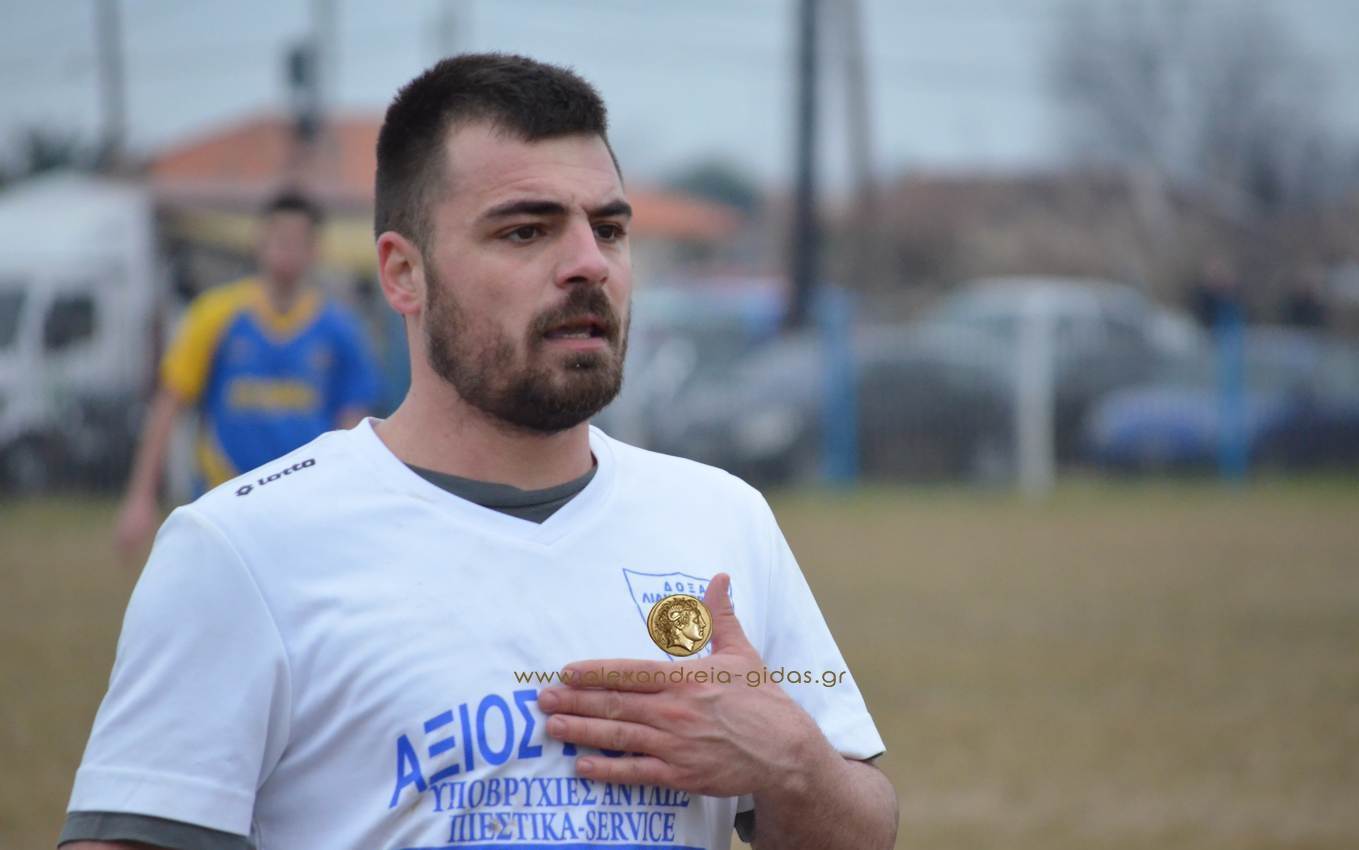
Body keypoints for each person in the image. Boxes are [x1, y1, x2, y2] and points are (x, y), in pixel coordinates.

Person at [63, 54, 898, 850]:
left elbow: (862, 828)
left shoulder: (722, 519)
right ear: (404, 274)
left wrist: (793, 762)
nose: (588, 265)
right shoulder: (241, 550)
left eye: (609, 229)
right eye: (526, 231)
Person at [113, 191, 379, 558]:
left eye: (298, 241)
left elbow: (352, 425)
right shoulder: (215, 314)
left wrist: (349, 500)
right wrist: (141, 497)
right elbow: (168, 405)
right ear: (260, 242)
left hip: (305, 510)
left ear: (315, 249)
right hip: (223, 504)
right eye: (279, 239)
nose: (287, 251)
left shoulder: (340, 329)